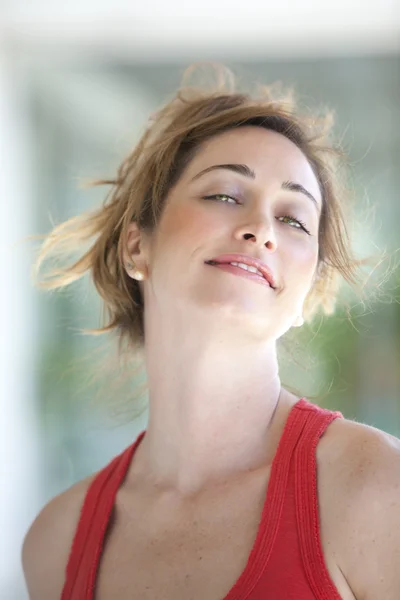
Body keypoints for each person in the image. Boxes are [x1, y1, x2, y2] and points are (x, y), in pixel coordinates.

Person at [22, 65, 400, 600]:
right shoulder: (54, 544)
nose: (262, 229)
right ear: (137, 246)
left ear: (304, 295)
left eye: (294, 219)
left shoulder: (378, 490)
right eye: (224, 194)